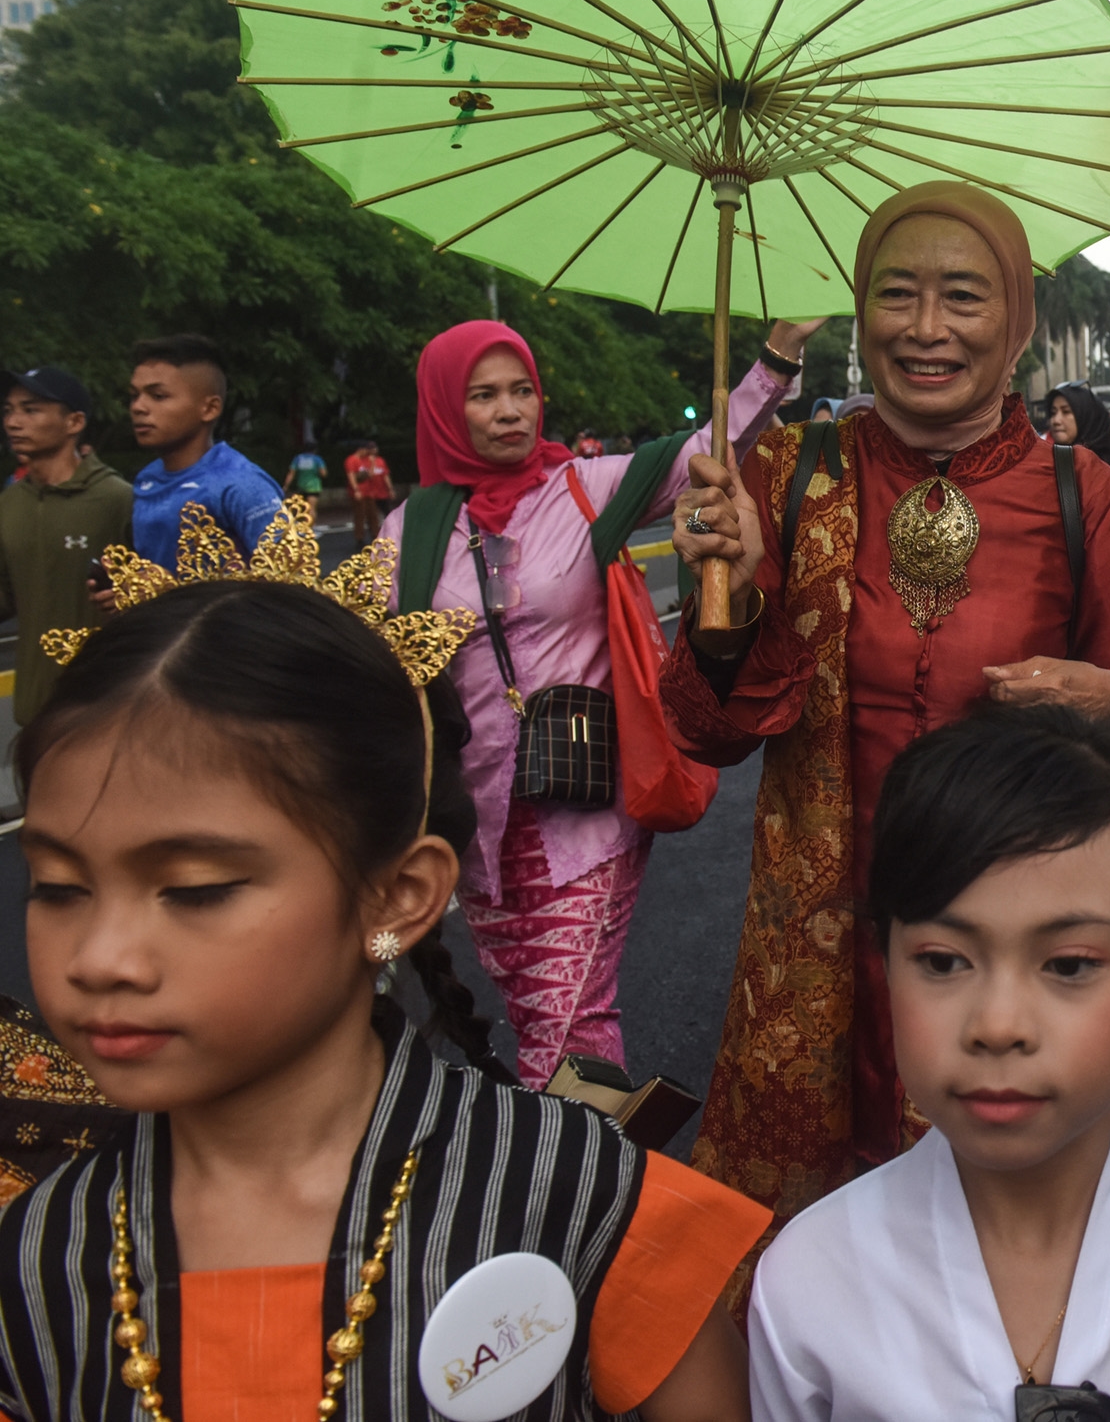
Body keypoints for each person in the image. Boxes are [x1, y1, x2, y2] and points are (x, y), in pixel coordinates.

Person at [3, 574, 769, 1422]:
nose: (102, 958)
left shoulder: (581, 1194)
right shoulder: (38, 1258)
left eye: (194, 887)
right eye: (59, 886)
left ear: (398, 895)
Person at [661, 182, 1110, 1243]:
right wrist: (730, 598)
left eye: (963, 297)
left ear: (1016, 322)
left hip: (1010, 937)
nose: (925, 328)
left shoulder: (1084, 492)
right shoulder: (793, 473)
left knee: (998, 1227)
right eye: (897, 294)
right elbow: (710, 730)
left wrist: (1102, 697)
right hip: (820, 948)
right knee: (825, 1253)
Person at [748, 706, 1110, 1420]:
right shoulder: (808, 1281)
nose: (998, 1025)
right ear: (883, 964)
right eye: (943, 960)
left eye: (1070, 964)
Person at [385, 316, 808, 1085]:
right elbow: (361, 650)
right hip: (476, 820)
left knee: (566, 1021)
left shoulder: (587, 488)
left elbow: (704, 452)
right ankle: (605, 1176)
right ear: (446, 408)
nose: (511, 410)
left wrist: (776, 356)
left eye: (522, 391)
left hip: (588, 804)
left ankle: (568, 1188)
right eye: (484, 396)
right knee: (540, 1011)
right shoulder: (408, 534)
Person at [0, 367, 129, 733]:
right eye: (8, 410)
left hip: (102, 707)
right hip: (31, 711)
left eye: (30, 409)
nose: (13, 421)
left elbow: (154, 602)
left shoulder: (117, 499)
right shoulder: (9, 504)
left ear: (74, 422)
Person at [125, 334, 283, 572]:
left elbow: (293, 582)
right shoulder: (146, 479)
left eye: (158, 396)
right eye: (134, 395)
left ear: (209, 408)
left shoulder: (241, 485)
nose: (138, 407)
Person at [345, 437, 395, 545]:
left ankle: (375, 535)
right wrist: (356, 490)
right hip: (360, 491)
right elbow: (351, 476)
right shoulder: (352, 460)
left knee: (373, 515)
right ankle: (359, 537)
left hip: (369, 491)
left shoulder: (367, 460)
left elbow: (370, 475)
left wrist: (372, 464)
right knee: (360, 515)